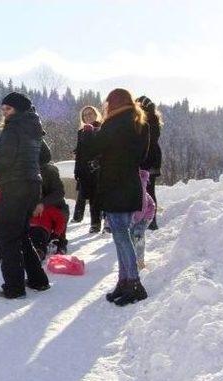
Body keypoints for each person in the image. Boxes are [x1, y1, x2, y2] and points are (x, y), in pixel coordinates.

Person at [0, 92, 50, 299]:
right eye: (3, 109)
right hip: (33, 185)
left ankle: (14, 287)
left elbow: (5, 160)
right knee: (22, 234)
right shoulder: (34, 128)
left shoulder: (13, 128)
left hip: (15, 186)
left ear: (18, 109)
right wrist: (29, 162)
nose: (5, 113)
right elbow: (46, 156)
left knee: (9, 237)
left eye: (8, 109)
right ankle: (38, 280)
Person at [88, 88, 150, 306]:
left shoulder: (112, 124)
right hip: (130, 184)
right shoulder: (140, 123)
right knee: (121, 234)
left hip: (114, 185)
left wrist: (90, 134)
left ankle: (133, 282)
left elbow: (96, 147)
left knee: (121, 236)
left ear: (112, 104)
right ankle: (124, 281)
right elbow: (142, 156)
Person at [30, 148, 70, 258]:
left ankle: (60, 241)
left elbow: (59, 192)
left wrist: (43, 204)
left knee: (59, 218)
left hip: (52, 206)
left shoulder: (50, 171)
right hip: (30, 211)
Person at [72, 106, 103, 232]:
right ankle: (78, 217)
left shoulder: (101, 129)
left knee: (95, 198)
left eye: (90, 114)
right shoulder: (81, 132)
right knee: (84, 194)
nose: (88, 116)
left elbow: (101, 149)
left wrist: (97, 162)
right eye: (85, 115)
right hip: (83, 169)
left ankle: (95, 224)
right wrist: (77, 169)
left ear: (96, 115)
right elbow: (81, 150)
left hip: (95, 169)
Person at [136, 95, 163, 230]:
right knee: (149, 190)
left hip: (147, 159)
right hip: (154, 159)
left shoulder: (146, 121)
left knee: (145, 190)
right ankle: (151, 220)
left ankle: (148, 219)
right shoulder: (155, 119)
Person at [131, 169, 156, 269]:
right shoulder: (134, 189)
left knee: (138, 236)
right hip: (136, 217)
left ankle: (140, 261)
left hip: (145, 217)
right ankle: (134, 259)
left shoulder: (140, 191)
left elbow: (143, 207)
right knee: (132, 237)